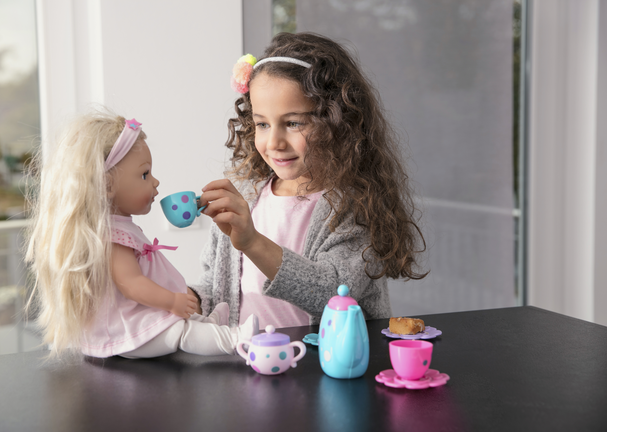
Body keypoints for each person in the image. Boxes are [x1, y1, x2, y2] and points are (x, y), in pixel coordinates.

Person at [190, 32, 428, 329]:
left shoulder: (353, 207)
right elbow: (216, 288)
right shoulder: (246, 197)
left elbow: (334, 294)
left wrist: (251, 242)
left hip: (320, 368)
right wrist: (182, 298)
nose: (274, 141)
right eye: (262, 123)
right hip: (248, 363)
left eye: (292, 123)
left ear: (336, 122)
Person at [24, 109, 258, 360]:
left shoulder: (118, 227)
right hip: (128, 332)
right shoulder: (111, 237)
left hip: (135, 319)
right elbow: (132, 285)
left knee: (180, 321)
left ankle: (208, 325)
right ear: (107, 185)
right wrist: (171, 302)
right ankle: (234, 339)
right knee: (180, 331)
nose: (155, 182)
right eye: (145, 174)